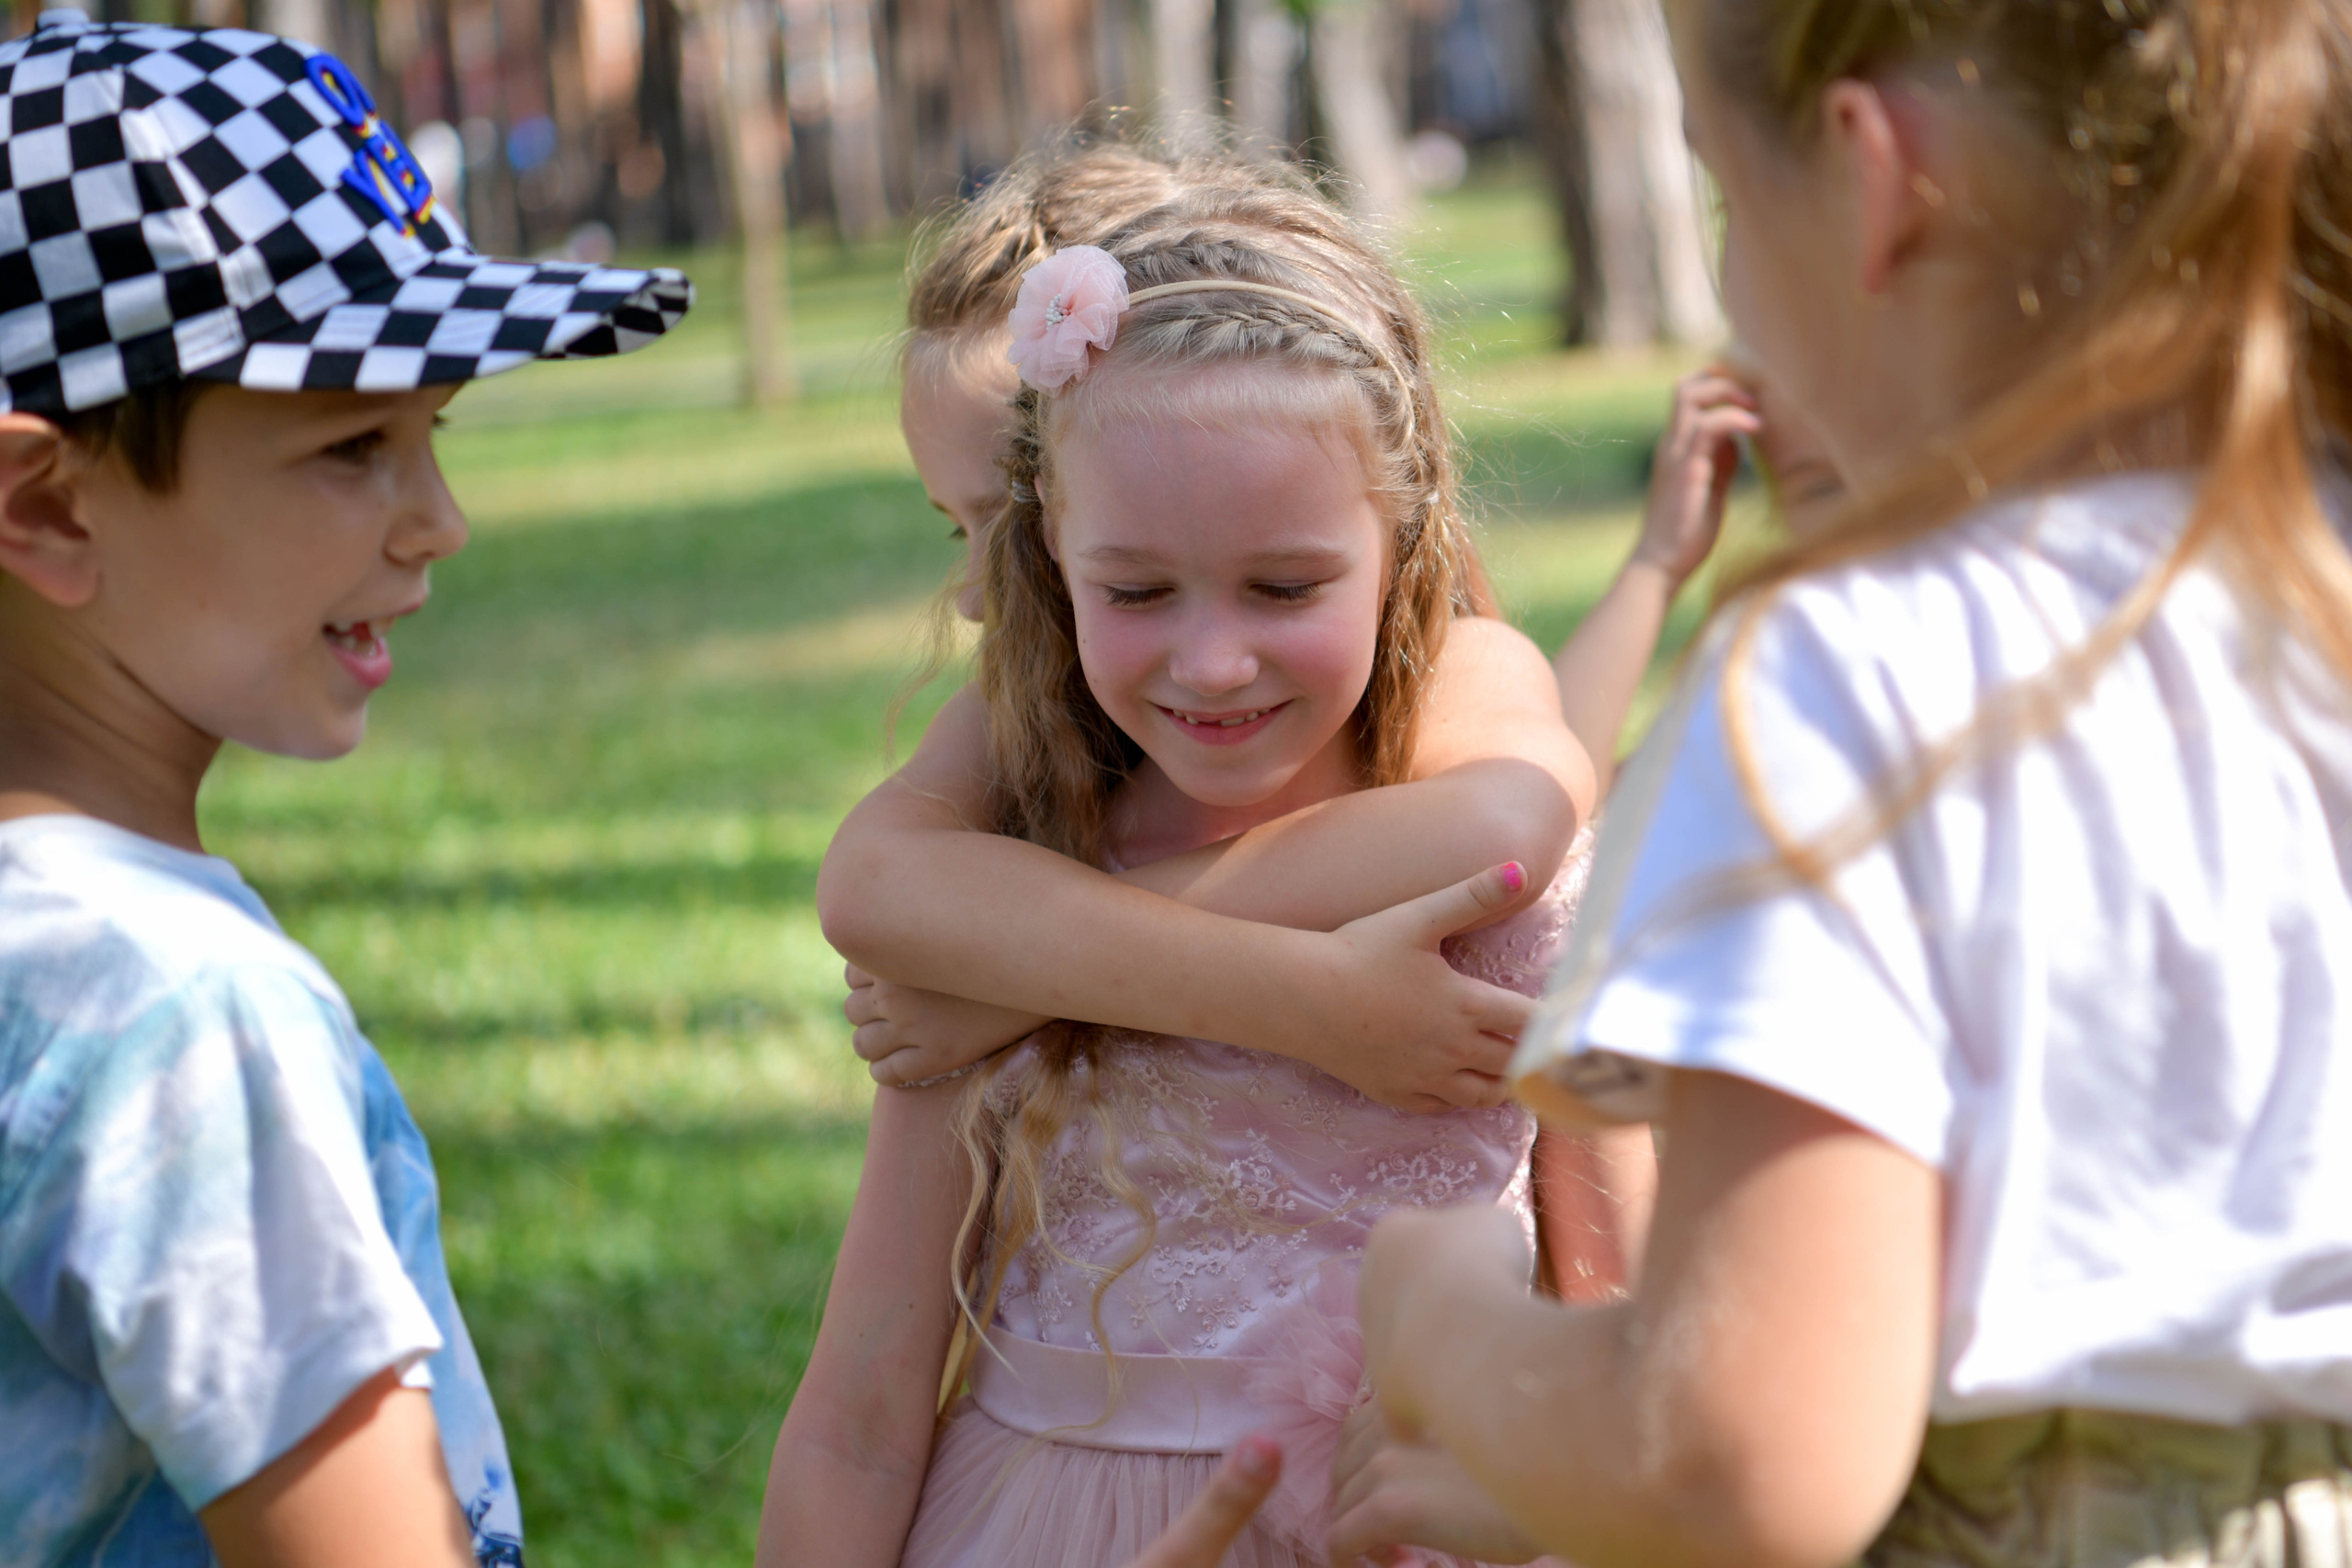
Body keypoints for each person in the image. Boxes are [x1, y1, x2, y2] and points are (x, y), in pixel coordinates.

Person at [1348, 2, 2352, 1567]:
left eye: (1730, 204)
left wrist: (1447, 1324)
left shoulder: (1863, 678)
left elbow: (1735, 1459)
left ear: (1876, 174)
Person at [764, 166, 1595, 1566]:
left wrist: (1040, 974)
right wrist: (1292, 994)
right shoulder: (1012, 834)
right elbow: (862, 1406)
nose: (1212, 659)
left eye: (1282, 585)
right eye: (1136, 590)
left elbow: (1511, 837)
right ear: (1059, 560)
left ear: (1401, 542)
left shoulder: (1009, 934)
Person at [0, 13, 690, 1566]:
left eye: (430, 433)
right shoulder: (184, 1022)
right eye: (350, 445)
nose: (437, 517)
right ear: (45, 505)